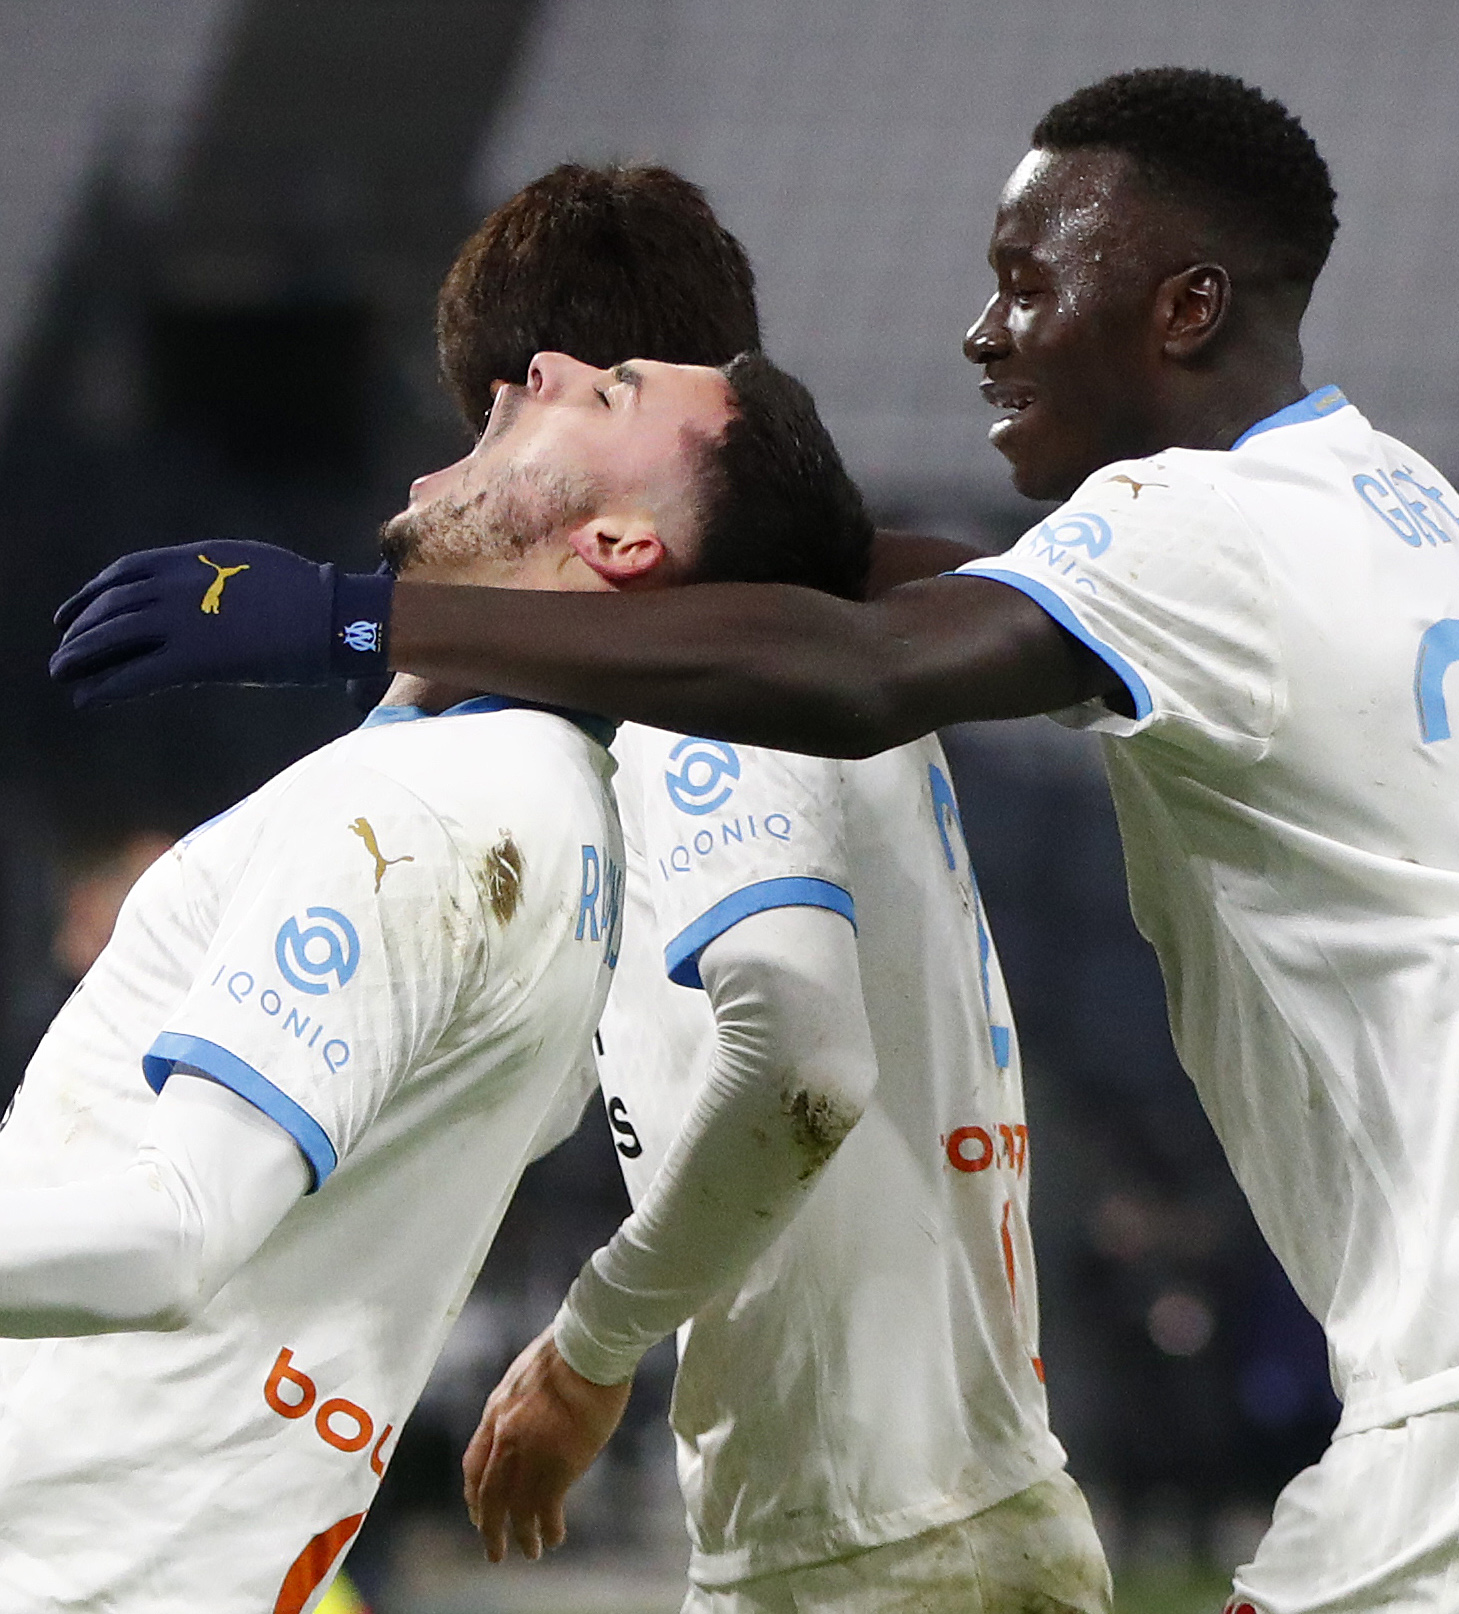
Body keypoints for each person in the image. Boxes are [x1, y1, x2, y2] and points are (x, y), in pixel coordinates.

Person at [49, 68, 1459, 1614]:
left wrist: (369, 615)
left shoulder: (1190, 534)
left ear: (1185, 305)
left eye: (1025, 282)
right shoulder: (1382, 489)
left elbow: (858, 667)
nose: (983, 332)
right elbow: (912, 588)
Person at [0, 348, 873, 1614]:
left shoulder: (414, 817)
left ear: (617, 544)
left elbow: (170, 1240)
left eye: (608, 395)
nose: (541, 364)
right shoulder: (562, 824)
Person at [433, 164, 1109, 1611]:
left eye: (507, 415)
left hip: (871, 1548)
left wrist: (584, 1350)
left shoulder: (707, 683)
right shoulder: (780, 651)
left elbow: (802, 1049)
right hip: (927, 1522)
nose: (477, 460)